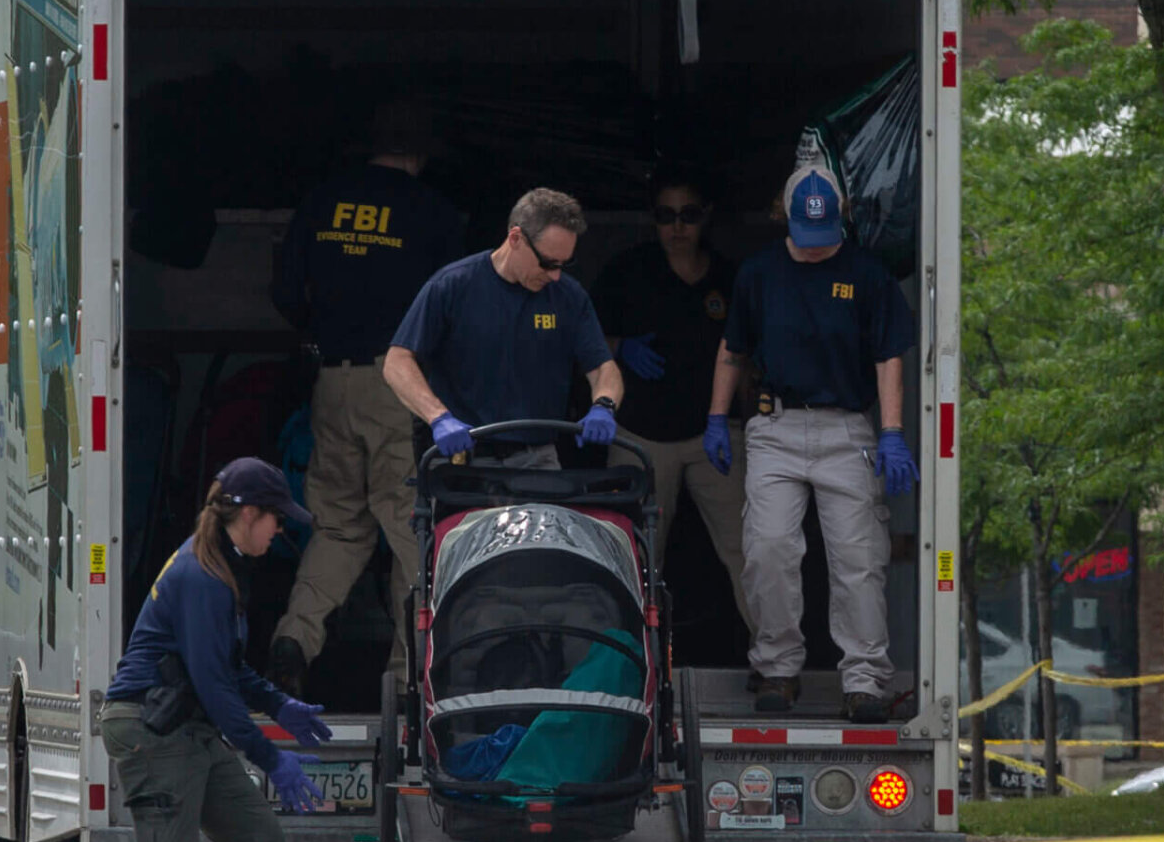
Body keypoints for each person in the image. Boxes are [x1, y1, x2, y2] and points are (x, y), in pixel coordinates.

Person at [62, 458, 335, 842]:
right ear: (249, 515)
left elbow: (227, 669)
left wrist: (279, 705)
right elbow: (214, 687)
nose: (279, 533)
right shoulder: (202, 577)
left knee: (258, 841)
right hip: (153, 732)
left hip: (187, 732)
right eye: (275, 522)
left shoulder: (219, 567)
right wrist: (270, 757)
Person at [705, 162, 918, 724]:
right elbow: (733, 350)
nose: (817, 249)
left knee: (858, 559)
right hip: (775, 428)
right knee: (769, 549)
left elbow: (887, 357)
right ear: (786, 220)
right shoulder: (759, 274)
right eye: (807, 237)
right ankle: (776, 668)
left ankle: (866, 680)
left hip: (845, 428)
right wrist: (715, 416)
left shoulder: (867, 275)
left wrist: (892, 433)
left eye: (827, 239)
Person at [267, 99, 466, 690]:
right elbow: (452, 311)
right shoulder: (433, 211)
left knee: (338, 528)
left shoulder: (322, 200)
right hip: (397, 385)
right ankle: (408, 679)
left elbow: (284, 291)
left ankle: (291, 641)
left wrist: (324, 326)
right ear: (419, 152)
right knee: (411, 530)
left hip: (332, 379)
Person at [590, 168, 752, 629]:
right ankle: (627, 665)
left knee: (750, 548)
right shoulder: (628, 269)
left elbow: (748, 355)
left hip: (713, 435)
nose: (677, 227)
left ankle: (774, 664)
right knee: (632, 552)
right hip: (638, 434)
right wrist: (622, 348)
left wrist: (744, 422)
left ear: (707, 217)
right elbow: (584, 341)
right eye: (666, 216)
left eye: (688, 215)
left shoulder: (729, 276)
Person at [383, 187, 625, 469]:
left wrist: (603, 406)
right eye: (547, 264)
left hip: (537, 458)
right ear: (515, 238)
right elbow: (397, 361)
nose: (555, 275)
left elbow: (602, 367)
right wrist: (438, 417)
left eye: (563, 264)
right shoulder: (452, 285)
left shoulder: (569, 297)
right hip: (463, 455)